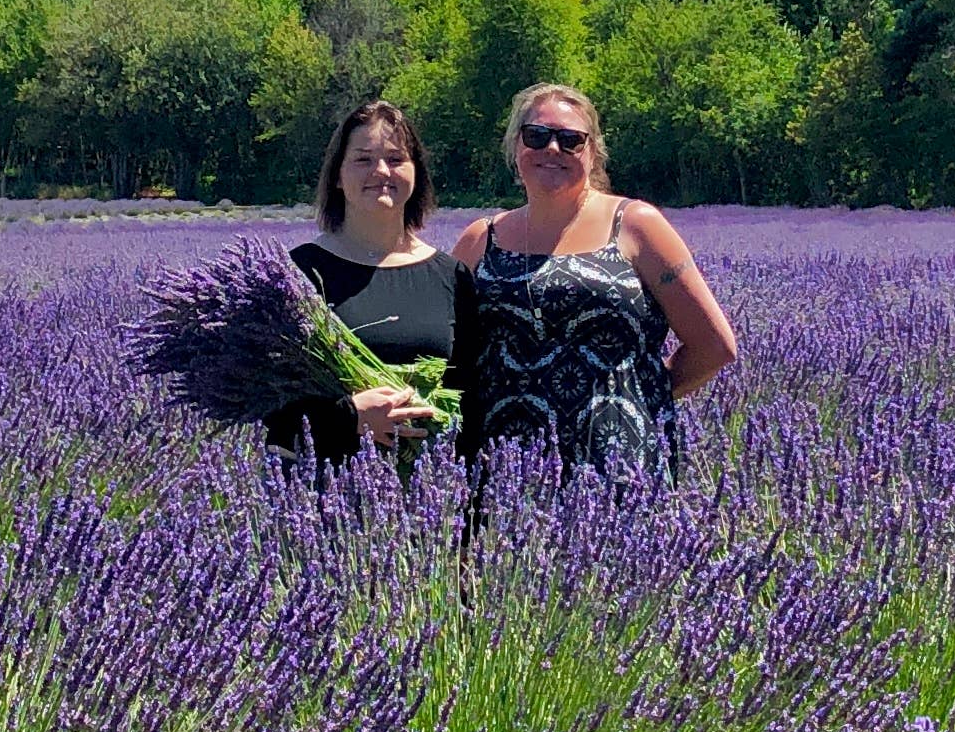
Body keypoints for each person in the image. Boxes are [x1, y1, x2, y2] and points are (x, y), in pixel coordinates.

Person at [451, 82, 737, 477]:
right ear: (516, 147)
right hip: (503, 467)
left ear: (593, 151)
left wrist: (638, 395)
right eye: (536, 136)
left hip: (617, 465)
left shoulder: (637, 226)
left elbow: (714, 344)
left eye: (571, 140)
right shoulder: (481, 239)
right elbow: (447, 353)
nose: (552, 149)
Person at [268, 100, 464, 464]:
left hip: (436, 498)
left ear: (416, 172)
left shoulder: (451, 277)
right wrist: (348, 416)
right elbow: (269, 410)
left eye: (395, 158)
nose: (380, 170)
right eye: (362, 159)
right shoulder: (296, 275)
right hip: (322, 496)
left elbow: (472, 397)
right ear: (338, 177)